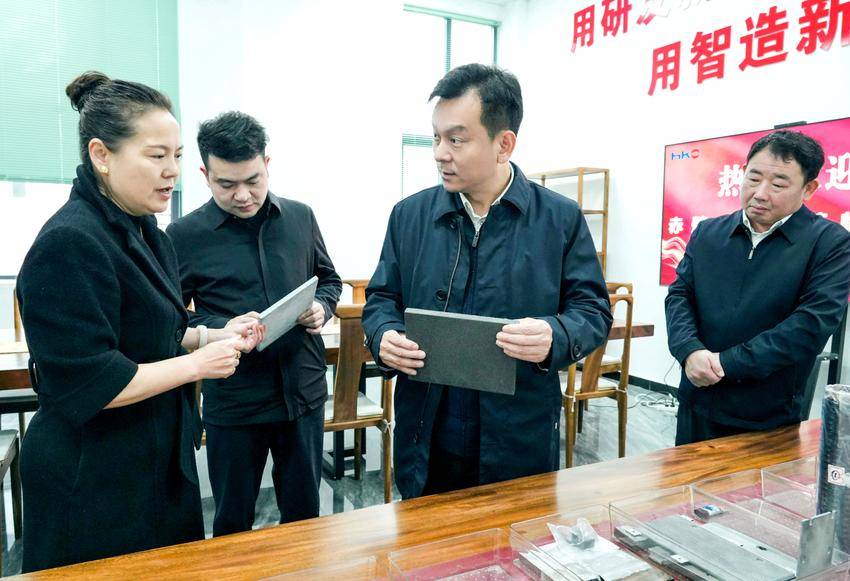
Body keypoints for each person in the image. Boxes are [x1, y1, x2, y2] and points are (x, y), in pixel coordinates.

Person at [15, 72, 263, 572]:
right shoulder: (70, 242)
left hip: (154, 457)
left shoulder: (147, 230)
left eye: (176, 156)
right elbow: (93, 382)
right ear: (101, 156)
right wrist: (198, 365)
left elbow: (158, 328)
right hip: (94, 477)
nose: (172, 171)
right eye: (156, 156)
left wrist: (215, 332)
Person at [362, 64, 612, 499]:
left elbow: (592, 310)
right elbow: (382, 298)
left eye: (456, 140)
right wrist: (383, 333)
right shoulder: (410, 216)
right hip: (427, 436)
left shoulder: (559, 219)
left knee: (514, 537)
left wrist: (555, 335)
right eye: (436, 137)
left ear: (504, 144)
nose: (440, 153)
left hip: (518, 437)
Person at [167, 111, 341, 535]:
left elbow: (330, 280)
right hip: (235, 400)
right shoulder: (183, 235)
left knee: (304, 518)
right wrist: (223, 326)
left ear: (267, 164)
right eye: (227, 184)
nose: (243, 195)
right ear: (205, 175)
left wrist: (322, 306)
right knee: (232, 521)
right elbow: (173, 319)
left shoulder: (300, 217)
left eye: (253, 180)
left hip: (302, 392)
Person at [666, 130, 850, 445]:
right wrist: (689, 350)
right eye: (753, 179)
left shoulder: (830, 243)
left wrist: (725, 364)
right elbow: (680, 296)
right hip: (696, 399)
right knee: (687, 477)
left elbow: (810, 324)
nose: (761, 193)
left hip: (766, 415)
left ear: (809, 189)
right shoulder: (709, 233)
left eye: (778, 185)